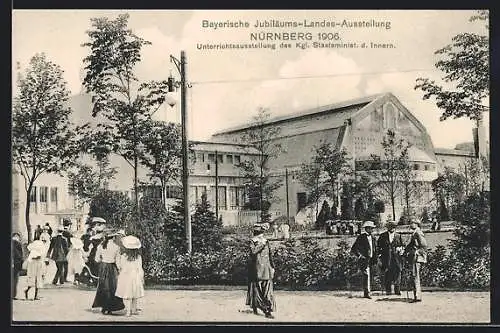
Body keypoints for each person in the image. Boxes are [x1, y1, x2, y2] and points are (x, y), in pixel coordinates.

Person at [246, 223, 276, 319]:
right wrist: (261, 244)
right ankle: (264, 309)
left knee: (267, 290)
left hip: (266, 268)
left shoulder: (265, 241)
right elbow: (253, 252)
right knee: (257, 289)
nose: (262, 234)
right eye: (260, 232)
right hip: (257, 268)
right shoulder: (253, 241)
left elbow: (270, 255)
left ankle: (268, 309)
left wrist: (273, 266)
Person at [92, 231, 125, 315]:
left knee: (103, 286)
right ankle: (110, 307)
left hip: (103, 266)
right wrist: (120, 269)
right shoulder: (116, 247)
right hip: (112, 267)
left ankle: (104, 307)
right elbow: (118, 261)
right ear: (113, 237)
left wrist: (102, 260)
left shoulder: (101, 246)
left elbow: (96, 259)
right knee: (112, 287)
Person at [115, 235, 145, 316]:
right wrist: (141, 277)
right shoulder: (138, 257)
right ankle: (134, 309)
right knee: (134, 293)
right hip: (135, 276)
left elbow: (119, 266)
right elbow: (140, 268)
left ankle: (128, 311)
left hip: (126, 275)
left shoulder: (123, 256)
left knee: (127, 294)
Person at [351, 221, 377, 299]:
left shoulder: (373, 237)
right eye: (370, 228)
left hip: (372, 259)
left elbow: (375, 248)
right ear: (366, 229)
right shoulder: (361, 237)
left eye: (372, 228)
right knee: (366, 275)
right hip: (364, 259)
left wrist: (377, 254)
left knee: (370, 275)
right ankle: (367, 293)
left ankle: (369, 291)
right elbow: (354, 248)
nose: (371, 230)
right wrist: (359, 256)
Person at [377, 221, 405, 295]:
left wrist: (401, 250)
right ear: (387, 227)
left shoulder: (398, 236)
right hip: (386, 258)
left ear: (395, 228)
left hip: (397, 259)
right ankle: (388, 291)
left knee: (397, 274)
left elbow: (403, 246)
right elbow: (378, 247)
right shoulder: (382, 236)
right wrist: (380, 256)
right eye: (390, 226)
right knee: (387, 274)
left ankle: (397, 291)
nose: (391, 228)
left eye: (393, 227)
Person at [404, 219, 428, 303]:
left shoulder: (418, 233)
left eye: (412, 223)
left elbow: (424, 246)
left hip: (417, 257)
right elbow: (410, 245)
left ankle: (417, 296)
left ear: (416, 224)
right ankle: (416, 296)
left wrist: (416, 252)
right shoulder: (414, 233)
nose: (410, 225)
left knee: (416, 276)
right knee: (415, 276)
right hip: (415, 257)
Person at [12, 233, 24, 300]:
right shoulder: (18, 244)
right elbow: (20, 256)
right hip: (16, 264)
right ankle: (13, 295)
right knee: (15, 280)